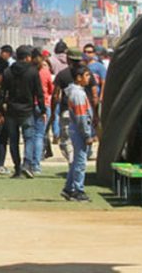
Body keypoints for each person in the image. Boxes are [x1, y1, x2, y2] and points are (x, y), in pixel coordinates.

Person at [0, 45, 46, 179]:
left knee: (13, 140)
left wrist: (0, 109)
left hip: (11, 110)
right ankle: (27, 164)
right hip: (27, 110)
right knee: (29, 138)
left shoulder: (8, 71)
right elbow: (39, 93)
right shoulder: (32, 72)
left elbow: (2, 92)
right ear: (27, 57)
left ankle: (17, 168)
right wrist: (42, 109)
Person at [62, 65, 94, 202]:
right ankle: (77, 190)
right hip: (79, 130)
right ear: (79, 77)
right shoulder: (78, 94)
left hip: (77, 129)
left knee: (77, 160)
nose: (89, 78)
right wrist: (87, 135)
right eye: (87, 75)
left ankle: (69, 188)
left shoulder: (77, 91)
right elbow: (81, 117)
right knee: (81, 161)